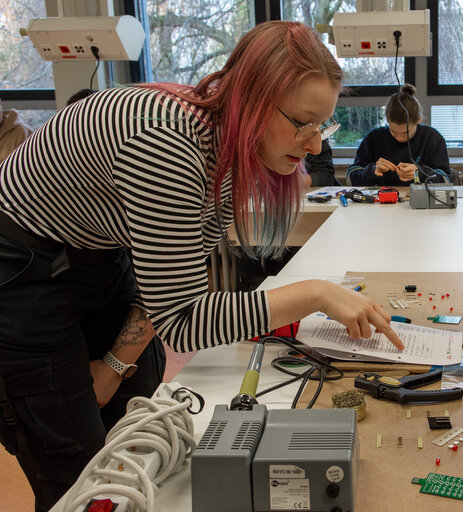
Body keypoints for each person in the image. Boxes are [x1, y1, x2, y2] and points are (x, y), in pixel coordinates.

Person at [0, 21, 403, 511]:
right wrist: (316, 294)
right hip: (21, 276)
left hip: (98, 257)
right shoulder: (167, 141)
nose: (315, 145)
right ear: (251, 104)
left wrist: (113, 366)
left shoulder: (228, 147)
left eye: (324, 124)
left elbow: (170, 289)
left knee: (149, 433)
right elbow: (185, 322)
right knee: (81, 473)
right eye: (303, 123)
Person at [347, 84, 449, 186]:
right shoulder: (374, 138)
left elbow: (447, 180)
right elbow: (351, 178)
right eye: (393, 131)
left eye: (406, 132)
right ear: (387, 120)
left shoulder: (432, 139)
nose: (399, 138)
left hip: (421, 200)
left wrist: (420, 173)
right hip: (379, 200)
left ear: (418, 120)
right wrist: (372, 171)